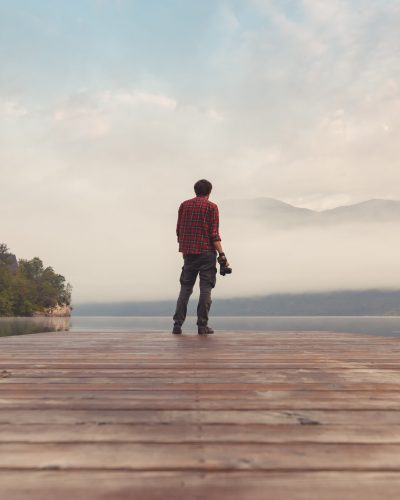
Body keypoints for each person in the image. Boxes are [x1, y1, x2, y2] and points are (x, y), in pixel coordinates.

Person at [172, 179, 229, 335]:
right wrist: (222, 255)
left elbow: (178, 230)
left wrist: (185, 247)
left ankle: (177, 324)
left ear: (195, 190)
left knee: (185, 289)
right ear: (209, 192)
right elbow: (214, 235)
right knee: (205, 290)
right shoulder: (212, 207)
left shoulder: (184, 205)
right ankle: (202, 326)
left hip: (188, 254)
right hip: (206, 254)